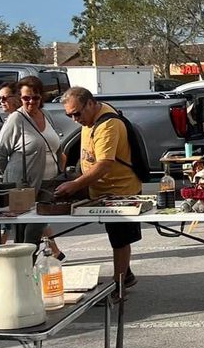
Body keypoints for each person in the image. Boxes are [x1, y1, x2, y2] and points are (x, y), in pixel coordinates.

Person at [55, 87, 142, 290]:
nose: (75, 119)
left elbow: (105, 164)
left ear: (91, 103)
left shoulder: (108, 124)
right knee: (116, 236)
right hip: (101, 189)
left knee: (119, 239)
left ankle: (120, 286)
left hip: (120, 190)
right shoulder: (90, 118)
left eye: (77, 113)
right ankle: (125, 273)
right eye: (69, 115)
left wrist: (76, 184)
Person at [0, 75, 61, 243]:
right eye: (25, 98)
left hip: (49, 182)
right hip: (24, 185)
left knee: (37, 227)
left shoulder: (46, 114)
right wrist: (11, 177)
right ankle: (25, 263)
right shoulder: (16, 118)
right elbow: (0, 154)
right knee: (28, 230)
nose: (31, 102)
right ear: (19, 98)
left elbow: (56, 146)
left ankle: (31, 262)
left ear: (41, 97)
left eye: (35, 97)